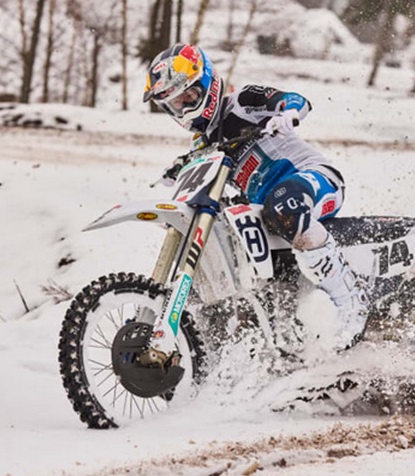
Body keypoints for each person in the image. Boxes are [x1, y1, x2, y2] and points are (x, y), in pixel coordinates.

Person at [143, 43, 368, 350]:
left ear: (206, 84)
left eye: (188, 96)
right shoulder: (202, 145)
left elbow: (294, 100)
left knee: (283, 204)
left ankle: (351, 299)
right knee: (233, 239)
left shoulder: (242, 102)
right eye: (174, 103)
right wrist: (178, 167)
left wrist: (287, 114)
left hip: (316, 180)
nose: (183, 107)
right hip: (270, 210)